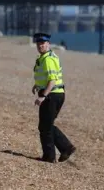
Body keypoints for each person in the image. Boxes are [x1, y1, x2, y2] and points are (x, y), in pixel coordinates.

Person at [31, 32, 76, 163]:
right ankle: (64, 149)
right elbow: (47, 77)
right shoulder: (46, 57)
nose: (40, 46)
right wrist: (37, 85)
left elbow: (52, 80)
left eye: (43, 44)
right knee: (46, 125)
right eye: (38, 44)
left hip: (52, 95)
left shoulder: (48, 59)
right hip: (56, 94)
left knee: (45, 126)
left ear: (48, 44)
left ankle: (52, 155)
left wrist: (43, 96)